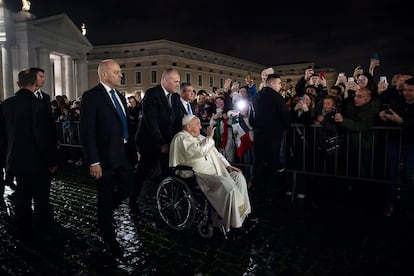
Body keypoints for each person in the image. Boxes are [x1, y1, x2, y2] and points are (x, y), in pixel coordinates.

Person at [79, 59, 134, 256]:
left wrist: (133, 147)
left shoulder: (119, 95)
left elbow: (125, 124)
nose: (121, 75)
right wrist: (94, 161)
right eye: (117, 72)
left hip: (123, 155)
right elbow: (87, 131)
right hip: (104, 159)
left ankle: (105, 213)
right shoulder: (91, 96)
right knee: (105, 197)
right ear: (104, 74)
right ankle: (110, 239)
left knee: (129, 187)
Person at [0, 69, 58, 244]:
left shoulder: (6, 104)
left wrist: (5, 159)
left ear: (19, 84)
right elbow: (42, 136)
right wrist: (52, 161)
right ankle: (42, 231)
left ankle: (23, 229)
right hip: (37, 161)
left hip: (15, 161)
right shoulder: (38, 104)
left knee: (22, 196)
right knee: (41, 198)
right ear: (34, 82)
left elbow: (2, 135)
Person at [169, 114, 251, 232]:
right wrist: (209, 137)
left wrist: (228, 166)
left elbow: (216, 153)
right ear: (188, 126)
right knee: (228, 186)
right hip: (200, 176)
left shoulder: (200, 136)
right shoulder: (180, 138)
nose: (200, 126)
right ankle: (233, 221)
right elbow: (199, 152)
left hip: (217, 171)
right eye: (197, 124)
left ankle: (243, 213)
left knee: (238, 178)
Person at [133, 68, 182, 205]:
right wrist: (161, 143)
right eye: (175, 81)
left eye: (179, 81)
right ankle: (133, 198)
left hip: (168, 142)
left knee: (168, 171)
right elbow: (151, 122)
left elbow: (179, 120)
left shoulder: (176, 97)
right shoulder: (152, 94)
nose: (178, 84)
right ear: (166, 80)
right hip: (149, 142)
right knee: (142, 172)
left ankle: (167, 201)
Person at [251, 74, 291, 204]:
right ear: (272, 83)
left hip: (259, 135)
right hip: (273, 136)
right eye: (279, 83)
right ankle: (268, 193)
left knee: (259, 163)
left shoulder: (256, 97)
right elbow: (285, 116)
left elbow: (252, 116)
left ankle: (257, 191)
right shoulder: (277, 98)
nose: (280, 86)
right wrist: (286, 126)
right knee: (272, 164)